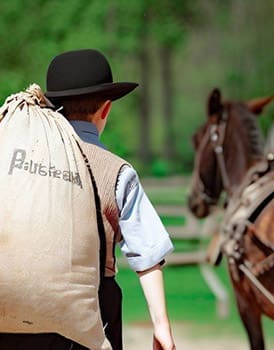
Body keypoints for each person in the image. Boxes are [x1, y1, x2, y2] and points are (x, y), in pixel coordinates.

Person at [0, 49, 176, 350]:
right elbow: (147, 256)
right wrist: (162, 327)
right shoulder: (117, 172)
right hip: (91, 315)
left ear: (52, 106)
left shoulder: (12, 159)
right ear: (105, 110)